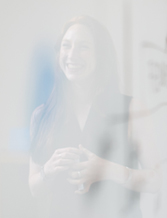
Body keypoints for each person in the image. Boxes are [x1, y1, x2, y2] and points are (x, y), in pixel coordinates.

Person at [28, 16, 160, 218]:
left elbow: (157, 180)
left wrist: (107, 170)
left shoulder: (132, 110)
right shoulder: (42, 116)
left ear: (101, 55)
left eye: (83, 47)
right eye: (66, 46)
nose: (72, 55)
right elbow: (34, 189)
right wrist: (49, 169)